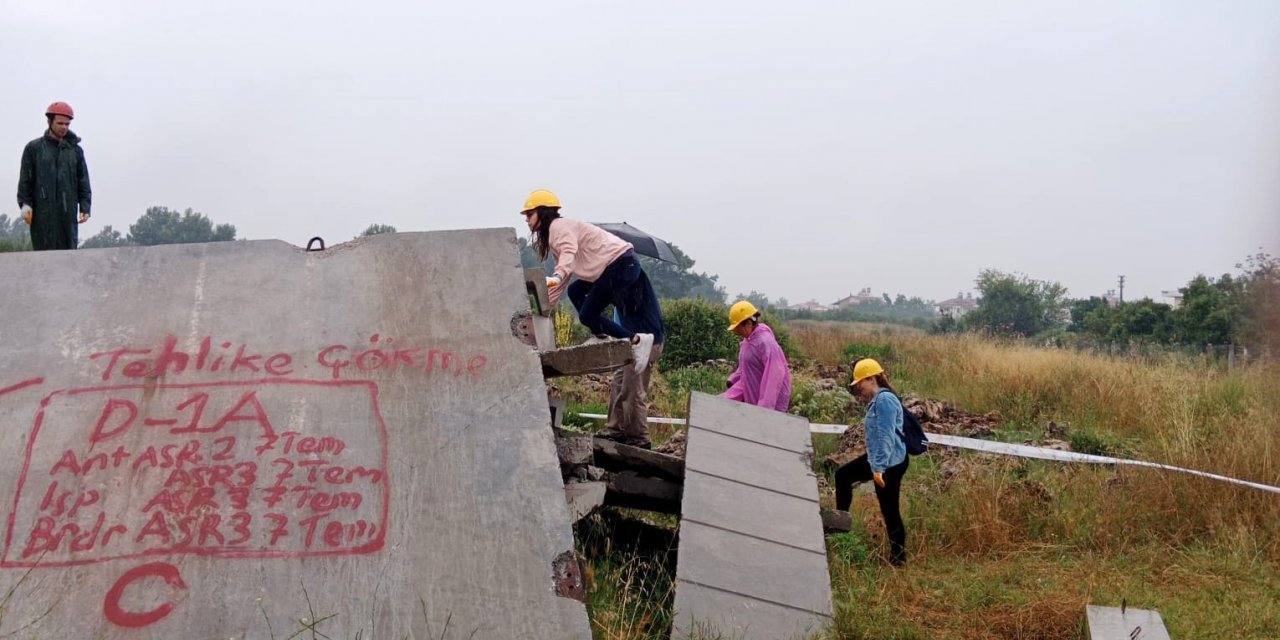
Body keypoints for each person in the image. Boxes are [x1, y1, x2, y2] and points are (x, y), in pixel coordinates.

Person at [521, 189, 662, 448]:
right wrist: (545, 309)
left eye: (529, 214)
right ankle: (602, 334)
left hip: (621, 266)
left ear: (543, 212)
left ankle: (635, 338)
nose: (527, 219)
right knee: (576, 290)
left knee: (587, 314)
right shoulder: (558, 232)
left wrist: (560, 272)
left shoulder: (559, 227)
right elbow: (564, 281)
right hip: (619, 267)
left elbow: (568, 254)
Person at [834, 358, 909, 566]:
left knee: (890, 510)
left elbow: (886, 437)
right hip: (880, 459)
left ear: (871, 378)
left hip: (888, 464)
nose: (858, 387)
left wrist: (878, 470)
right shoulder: (878, 399)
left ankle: (898, 560)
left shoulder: (885, 401)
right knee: (843, 475)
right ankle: (840, 525)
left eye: (860, 383)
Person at [17, 102, 92, 251]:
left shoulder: (75, 151)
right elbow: (26, 180)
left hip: (67, 213)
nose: (64, 127)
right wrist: (25, 204)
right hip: (42, 214)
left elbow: (83, 180)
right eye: (60, 123)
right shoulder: (34, 149)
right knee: (43, 257)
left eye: (67, 124)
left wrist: (85, 207)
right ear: (49, 121)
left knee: (68, 256)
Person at [723, 300, 792, 412]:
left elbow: (774, 376)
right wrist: (733, 379)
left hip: (770, 408)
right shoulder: (748, 340)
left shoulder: (765, 342)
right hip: (753, 399)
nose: (736, 331)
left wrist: (764, 410)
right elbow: (745, 367)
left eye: (738, 328)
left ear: (749, 323)